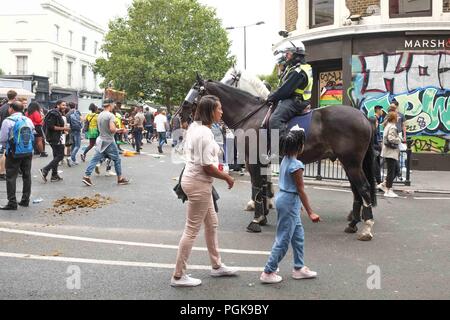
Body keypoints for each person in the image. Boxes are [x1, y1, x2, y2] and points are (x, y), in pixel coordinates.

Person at [171, 95, 237, 287]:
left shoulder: (196, 127)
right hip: (199, 183)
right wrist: (227, 177)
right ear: (211, 111)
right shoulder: (204, 133)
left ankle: (216, 265)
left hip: (197, 182)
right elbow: (207, 167)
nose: (222, 112)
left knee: (212, 223)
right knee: (191, 230)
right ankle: (178, 275)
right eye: (219, 109)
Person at [260, 127, 320, 284]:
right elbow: (300, 190)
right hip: (289, 201)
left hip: (286, 199)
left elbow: (292, 187)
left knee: (298, 236)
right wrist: (310, 212)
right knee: (284, 239)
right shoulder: (296, 164)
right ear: (300, 145)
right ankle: (268, 271)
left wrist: (298, 205)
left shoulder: (286, 160)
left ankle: (299, 268)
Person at [268, 41, 313, 141]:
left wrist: (270, 97)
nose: (286, 56)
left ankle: (281, 152)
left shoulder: (299, 71)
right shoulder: (295, 68)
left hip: (295, 101)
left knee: (275, 120)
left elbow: (285, 91)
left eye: (288, 53)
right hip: (296, 99)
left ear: (296, 54)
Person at [82, 101, 130, 186]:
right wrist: (120, 130)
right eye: (113, 104)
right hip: (109, 140)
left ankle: (87, 176)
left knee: (95, 159)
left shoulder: (100, 114)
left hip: (101, 139)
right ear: (110, 105)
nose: (114, 106)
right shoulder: (110, 115)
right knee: (117, 160)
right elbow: (112, 129)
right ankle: (120, 179)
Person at [0, 101, 34, 210]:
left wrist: (6, 148)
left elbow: (3, 139)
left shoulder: (8, 121)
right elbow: (32, 134)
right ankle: (25, 200)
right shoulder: (27, 120)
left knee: (11, 177)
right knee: (27, 175)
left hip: (13, 152)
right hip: (27, 151)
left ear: (11, 109)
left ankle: (12, 202)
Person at [39, 100, 68, 183]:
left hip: (56, 137)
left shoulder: (56, 113)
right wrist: (64, 128)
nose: (64, 107)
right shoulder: (54, 113)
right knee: (60, 156)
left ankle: (54, 175)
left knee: (56, 156)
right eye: (63, 105)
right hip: (55, 138)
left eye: (65, 105)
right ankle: (45, 169)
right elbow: (51, 126)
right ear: (57, 105)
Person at [380, 111, 401, 198]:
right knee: (391, 172)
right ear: (394, 118)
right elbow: (391, 138)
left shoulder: (388, 125)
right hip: (391, 152)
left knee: (396, 170)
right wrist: (399, 139)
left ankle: (384, 184)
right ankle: (388, 190)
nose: (398, 118)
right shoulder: (392, 126)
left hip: (388, 152)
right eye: (397, 116)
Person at [0, 90, 18, 181]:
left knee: (3, 151)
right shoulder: (12, 107)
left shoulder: (2, 107)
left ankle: (3, 171)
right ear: (15, 97)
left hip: (2, 129)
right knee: (5, 152)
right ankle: (2, 172)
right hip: (10, 131)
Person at [66, 102, 82, 166]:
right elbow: (81, 119)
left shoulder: (68, 113)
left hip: (71, 130)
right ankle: (71, 158)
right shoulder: (77, 111)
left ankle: (73, 160)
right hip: (77, 130)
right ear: (75, 106)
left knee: (73, 145)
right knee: (77, 145)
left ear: (69, 106)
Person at [372, 105, 384, 186]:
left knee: (377, 164)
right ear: (377, 110)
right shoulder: (374, 119)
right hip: (374, 146)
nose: (382, 111)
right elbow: (374, 133)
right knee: (376, 165)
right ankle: (379, 182)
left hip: (376, 145)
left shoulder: (378, 119)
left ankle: (378, 181)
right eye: (381, 110)